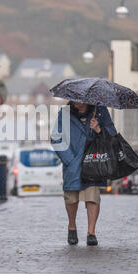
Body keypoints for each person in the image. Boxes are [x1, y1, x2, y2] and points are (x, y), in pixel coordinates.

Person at [51, 101, 116, 246]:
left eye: (78, 99)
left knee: (92, 196)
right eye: (73, 99)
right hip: (73, 162)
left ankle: (91, 232)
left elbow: (112, 133)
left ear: (87, 99)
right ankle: (72, 227)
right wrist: (69, 159)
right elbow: (56, 137)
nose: (75, 102)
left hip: (93, 161)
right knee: (71, 198)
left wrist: (98, 129)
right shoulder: (65, 113)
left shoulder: (100, 111)